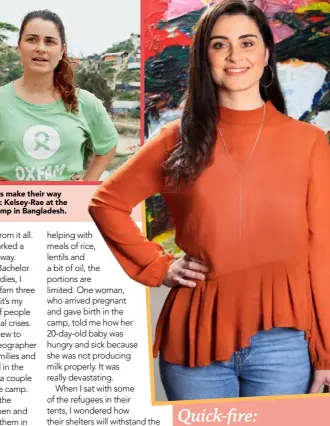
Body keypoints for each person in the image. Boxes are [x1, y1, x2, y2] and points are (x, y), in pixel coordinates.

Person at [89, 0, 330, 400]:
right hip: (194, 340)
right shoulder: (177, 138)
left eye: (247, 42)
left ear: (267, 53)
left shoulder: (309, 143)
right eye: (219, 45)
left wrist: (325, 350)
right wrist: (157, 266)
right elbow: (106, 202)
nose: (235, 56)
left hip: (285, 344)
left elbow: (321, 249)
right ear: (205, 57)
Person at [0, 9, 117, 181]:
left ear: (61, 51)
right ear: (19, 48)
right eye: (32, 39)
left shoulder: (84, 102)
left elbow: (108, 145)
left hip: (69, 212)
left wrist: (86, 185)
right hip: (14, 211)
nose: (40, 48)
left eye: (49, 41)